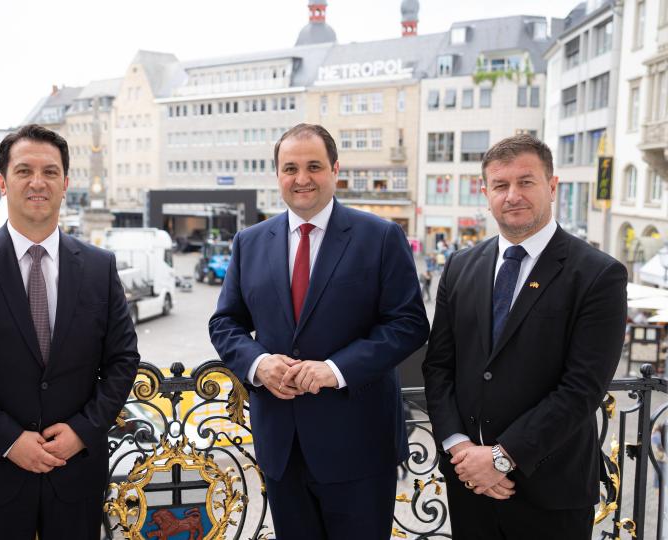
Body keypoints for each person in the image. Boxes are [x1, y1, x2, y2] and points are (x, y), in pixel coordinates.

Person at [209, 123, 429, 538]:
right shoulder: (248, 242)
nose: (302, 178)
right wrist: (258, 364)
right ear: (277, 174)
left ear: (335, 170)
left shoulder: (381, 236)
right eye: (290, 168)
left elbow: (409, 323)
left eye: (314, 166)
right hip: (282, 447)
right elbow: (225, 323)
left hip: (360, 445)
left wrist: (336, 369)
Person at [0, 124, 139, 539]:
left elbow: (123, 360)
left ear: (66, 184)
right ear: (3, 182)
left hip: (76, 473)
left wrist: (82, 431)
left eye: (50, 172)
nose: (37, 182)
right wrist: (8, 439)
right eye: (24, 171)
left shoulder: (100, 266)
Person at [422, 134, 627, 539]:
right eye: (500, 185)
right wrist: (461, 449)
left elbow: (582, 388)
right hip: (470, 485)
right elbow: (439, 367)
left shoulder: (598, 274)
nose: (512, 195)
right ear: (485, 194)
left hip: (550, 491)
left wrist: (501, 458)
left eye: (526, 181)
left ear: (552, 186)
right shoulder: (460, 266)